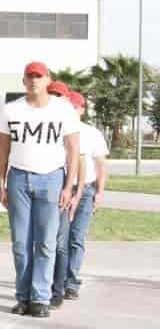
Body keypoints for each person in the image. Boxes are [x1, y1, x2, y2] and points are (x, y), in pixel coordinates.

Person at [0, 61, 80, 318]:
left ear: (47, 80)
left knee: (46, 242)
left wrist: (68, 187)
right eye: (29, 76)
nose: (34, 80)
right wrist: (2, 185)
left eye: (39, 76)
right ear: (23, 81)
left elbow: (74, 152)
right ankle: (23, 296)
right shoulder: (11, 111)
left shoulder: (63, 111)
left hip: (52, 178)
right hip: (19, 178)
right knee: (21, 243)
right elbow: (3, 154)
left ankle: (40, 298)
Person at [51, 90, 106, 307]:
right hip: (61, 187)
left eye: (75, 107)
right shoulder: (58, 129)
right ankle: (57, 280)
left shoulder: (92, 134)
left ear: (82, 110)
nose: (71, 111)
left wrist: (99, 191)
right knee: (59, 240)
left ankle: (71, 281)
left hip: (86, 190)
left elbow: (100, 165)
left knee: (76, 237)